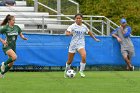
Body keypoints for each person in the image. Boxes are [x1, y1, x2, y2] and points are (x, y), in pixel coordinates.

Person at [64, 13, 100, 78]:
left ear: (82, 19)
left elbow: (89, 32)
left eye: (79, 18)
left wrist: (95, 39)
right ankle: (67, 70)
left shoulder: (84, 27)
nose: (78, 19)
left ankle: (81, 71)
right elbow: (67, 32)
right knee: (69, 61)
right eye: (77, 18)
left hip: (81, 45)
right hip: (73, 45)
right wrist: (68, 34)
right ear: (75, 19)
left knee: (84, 55)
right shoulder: (72, 26)